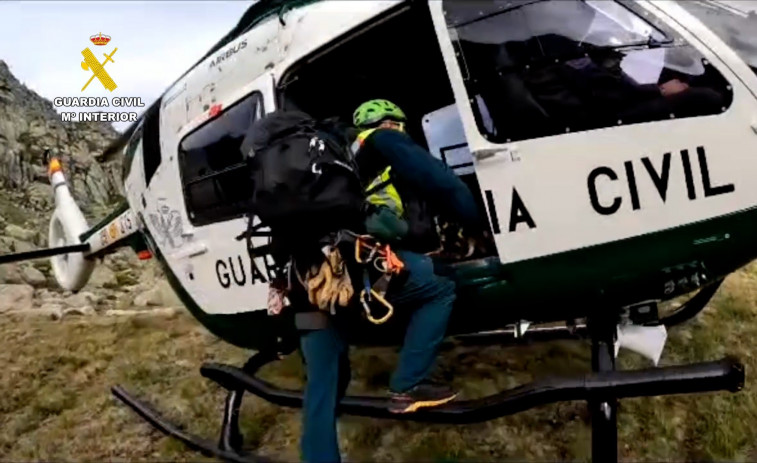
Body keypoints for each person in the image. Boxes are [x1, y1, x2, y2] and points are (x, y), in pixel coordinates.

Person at [297, 99, 483, 463]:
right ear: (394, 123)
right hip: (355, 274)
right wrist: (477, 220)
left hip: (307, 285)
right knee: (441, 286)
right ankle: (408, 385)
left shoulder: (319, 167)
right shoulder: (384, 140)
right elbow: (443, 185)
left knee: (322, 384)